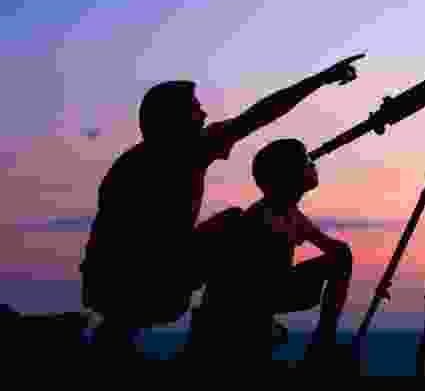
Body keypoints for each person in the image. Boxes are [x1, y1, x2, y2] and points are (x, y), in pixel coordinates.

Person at [79, 54, 363, 359]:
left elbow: (259, 115)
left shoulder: (148, 160)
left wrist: (320, 80)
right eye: (195, 109)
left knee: (230, 225)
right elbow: (259, 115)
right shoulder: (168, 159)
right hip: (138, 279)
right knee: (232, 223)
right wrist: (320, 80)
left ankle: (121, 335)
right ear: (173, 119)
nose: (203, 115)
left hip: (122, 279)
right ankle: (241, 322)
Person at [189, 138, 353, 364]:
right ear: (289, 175)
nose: (312, 163)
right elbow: (233, 280)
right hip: (244, 303)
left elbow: (335, 252)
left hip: (268, 290)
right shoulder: (260, 217)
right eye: (305, 160)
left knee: (342, 255)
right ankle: (316, 344)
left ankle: (323, 341)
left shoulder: (290, 214)